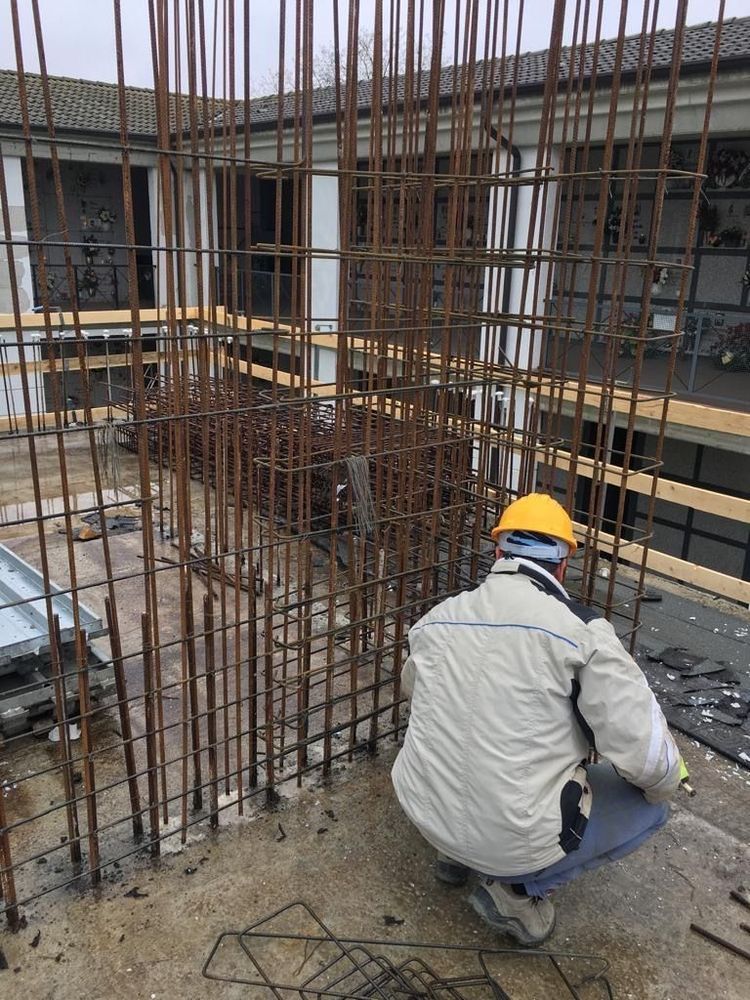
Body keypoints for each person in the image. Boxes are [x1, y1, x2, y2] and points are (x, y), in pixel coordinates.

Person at [391, 492, 683, 946]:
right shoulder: (582, 634)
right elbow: (649, 759)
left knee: (462, 740)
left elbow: (416, 692)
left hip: (423, 810)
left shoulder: (437, 620)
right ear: (564, 564)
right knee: (651, 807)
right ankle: (515, 892)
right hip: (510, 839)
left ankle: (452, 856)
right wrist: (665, 783)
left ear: (498, 552)